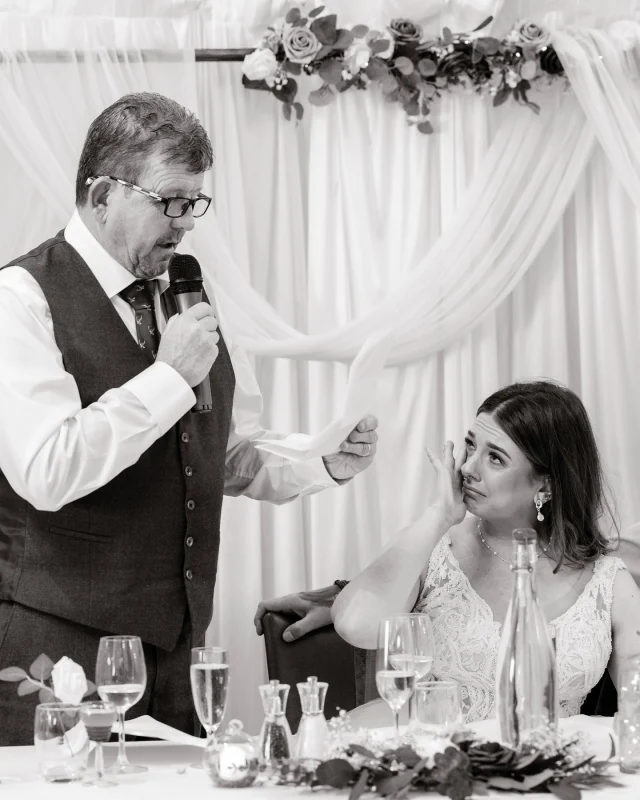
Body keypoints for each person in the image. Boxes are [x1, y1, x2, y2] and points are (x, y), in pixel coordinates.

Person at [0, 92, 378, 745]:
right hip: (55, 656)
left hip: (179, 659)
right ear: (102, 197)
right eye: (170, 201)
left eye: (195, 203)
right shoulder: (20, 300)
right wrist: (169, 376)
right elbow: (46, 470)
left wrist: (322, 464)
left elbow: (219, 457)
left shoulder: (188, 294)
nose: (185, 223)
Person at [256, 381, 640, 724]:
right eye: (471, 445)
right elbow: (355, 625)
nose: (468, 467)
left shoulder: (608, 581)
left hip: (540, 773)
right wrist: (438, 516)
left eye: (495, 458)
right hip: (429, 762)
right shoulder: (438, 548)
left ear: (547, 485)